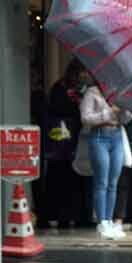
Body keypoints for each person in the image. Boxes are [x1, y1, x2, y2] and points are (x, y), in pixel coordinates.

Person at [80, 75, 130, 239]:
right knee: (101, 181)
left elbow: (128, 118)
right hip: (99, 137)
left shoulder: (118, 94)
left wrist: (124, 110)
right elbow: (86, 118)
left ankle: (109, 220)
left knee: (113, 182)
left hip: (117, 136)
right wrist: (109, 112)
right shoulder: (91, 93)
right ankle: (102, 221)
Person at [42, 61, 88, 229]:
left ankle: (74, 215)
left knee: (75, 180)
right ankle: (58, 215)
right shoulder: (60, 88)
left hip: (74, 141)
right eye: (81, 72)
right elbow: (59, 108)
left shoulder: (84, 90)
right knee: (59, 179)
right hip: (61, 143)